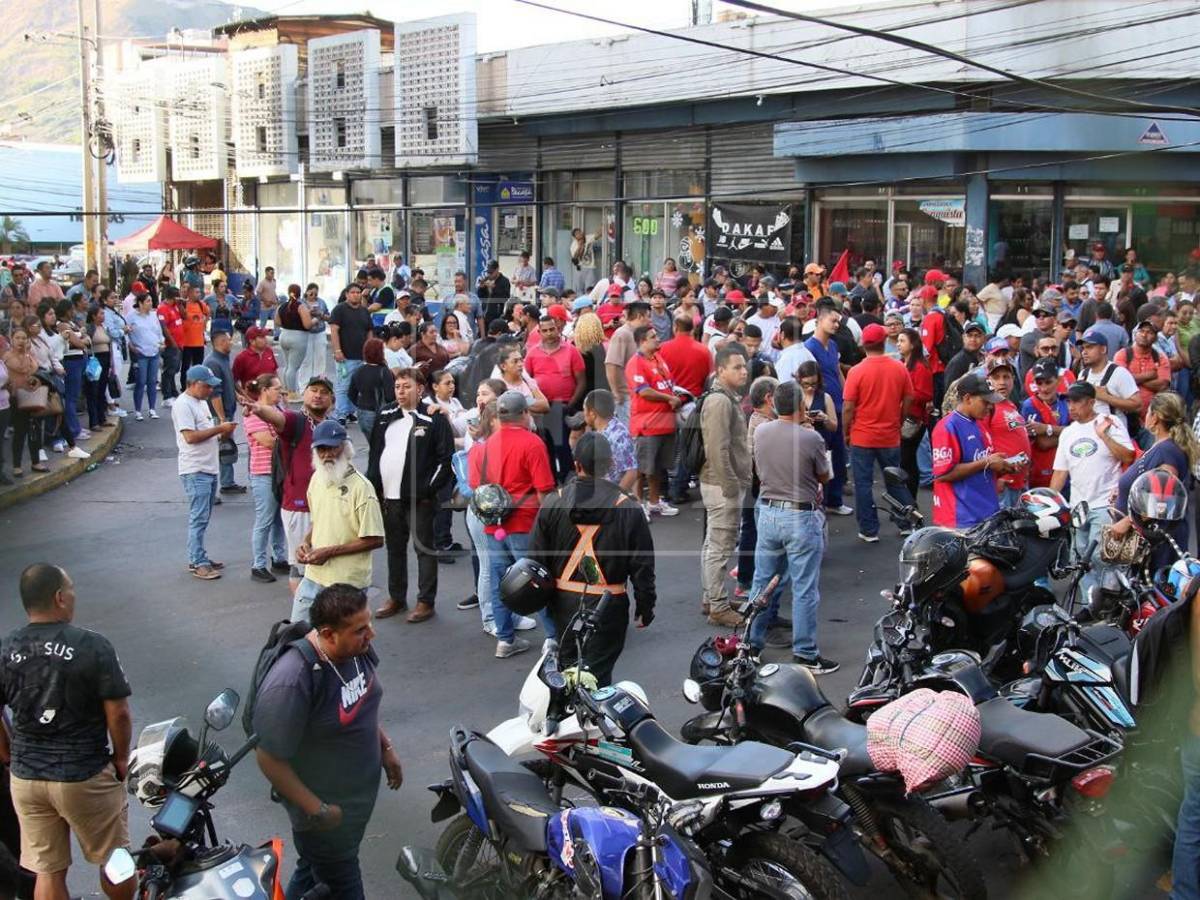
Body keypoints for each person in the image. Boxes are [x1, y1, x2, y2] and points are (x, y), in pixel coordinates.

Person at [252, 583, 401, 900]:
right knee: (342, 885)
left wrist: (385, 749)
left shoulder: (356, 650)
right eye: (361, 629)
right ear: (329, 634)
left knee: (312, 873)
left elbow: (360, 704)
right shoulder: (291, 681)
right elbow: (267, 756)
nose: (371, 634)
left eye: (369, 623)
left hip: (351, 808)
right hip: (325, 824)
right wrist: (317, 810)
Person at [0, 564, 133, 900]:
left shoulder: (5, 649)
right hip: (83, 772)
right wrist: (120, 758)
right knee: (115, 858)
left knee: (48, 870)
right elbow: (118, 713)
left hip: (27, 778)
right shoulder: (92, 646)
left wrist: (8, 755)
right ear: (59, 597)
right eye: (71, 589)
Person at [528, 431, 656, 687]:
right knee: (598, 678)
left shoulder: (554, 502)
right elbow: (642, 565)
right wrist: (645, 606)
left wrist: (545, 605)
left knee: (567, 674)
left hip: (562, 603)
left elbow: (536, 560)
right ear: (610, 464)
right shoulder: (628, 507)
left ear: (577, 464)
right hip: (609, 606)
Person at [746, 381, 837, 673]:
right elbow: (824, 476)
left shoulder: (761, 431)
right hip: (800, 515)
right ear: (801, 406)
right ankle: (805, 653)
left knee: (762, 583)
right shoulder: (810, 438)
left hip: (769, 512)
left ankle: (750, 646)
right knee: (804, 588)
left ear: (774, 404)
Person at [468, 391, 557, 659]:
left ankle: (505, 639)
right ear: (525, 414)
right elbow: (545, 491)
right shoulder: (532, 443)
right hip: (524, 522)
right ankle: (552, 638)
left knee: (499, 580)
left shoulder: (480, 449)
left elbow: (475, 487)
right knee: (535, 579)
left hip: (493, 525)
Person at [367, 368, 454, 625]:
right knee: (394, 549)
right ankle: (396, 597)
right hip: (388, 497)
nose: (401, 391)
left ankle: (426, 600)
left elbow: (445, 459)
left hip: (419, 499)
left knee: (424, 549)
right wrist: (374, 485)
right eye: (397, 387)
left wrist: (428, 489)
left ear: (420, 389)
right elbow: (375, 452)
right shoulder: (385, 414)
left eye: (406, 386)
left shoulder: (433, 418)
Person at [242, 376, 335, 597]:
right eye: (313, 390)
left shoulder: (332, 426)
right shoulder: (296, 421)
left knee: (324, 563)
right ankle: (304, 614)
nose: (318, 395)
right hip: (299, 506)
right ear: (304, 395)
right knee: (302, 567)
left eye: (323, 392)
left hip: (326, 506)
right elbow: (278, 418)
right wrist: (259, 409)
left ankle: (320, 614)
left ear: (332, 398)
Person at [292, 420, 385, 623]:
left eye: (332, 448)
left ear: (345, 447)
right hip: (314, 576)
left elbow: (375, 539)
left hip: (346, 583)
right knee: (296, 634)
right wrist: (305, 542)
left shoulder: (362, 488)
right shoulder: (317, 479)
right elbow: (318, 519)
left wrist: (329, 551)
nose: (326, 455)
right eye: (321, 449)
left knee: (348, 645)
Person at [1050, 381, 1135, 595]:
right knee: (1080, 559)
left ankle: (1110, 604)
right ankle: (1092, 606)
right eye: (1068, 401)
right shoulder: (1067, 433)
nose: (1071, 406)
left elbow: (1128, 456)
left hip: (1105, 503)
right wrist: (1051, 500)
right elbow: (1060, 472)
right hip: (1078, 506)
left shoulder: (1109, 421)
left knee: (1101, 557)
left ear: (1091, 402)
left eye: (1076, 401)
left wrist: (1103, 435)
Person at [1107, 391, 1197, 571]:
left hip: (1157, 543)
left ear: (1155, 417)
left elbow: (1162, 501)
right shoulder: (1161, 447)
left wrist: (1127, 522)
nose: (1146, 415)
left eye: (1148, 411)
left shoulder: (1167, 451)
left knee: (1155, 596)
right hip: (1148, 539)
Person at [842, 323, 916, 542]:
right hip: (889, 435)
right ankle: (906, 522)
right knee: (895, 480)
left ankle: (869, 529)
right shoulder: (899, 368)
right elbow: (909, 397)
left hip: (862, 436)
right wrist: (899, 419)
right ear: (884, 342)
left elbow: (848, 406)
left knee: (863, 485)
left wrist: (846, 432)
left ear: (864, 344)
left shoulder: (856, 371)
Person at [699, 345, 751, 627]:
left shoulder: (724, 398)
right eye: (736, 367)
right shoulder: (720, 402)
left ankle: (712, 597)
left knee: (713, 544)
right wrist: (731, 485)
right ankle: (717, 606)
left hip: (720, 483)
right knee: (720, 546)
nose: (743, 371)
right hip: (721, 486)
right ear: (721, 370)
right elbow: (717, 449)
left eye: (744, 366)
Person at [173, 365, 235, 580]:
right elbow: (190, 437)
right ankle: (197, 561)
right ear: (194, 384)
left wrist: (222, 434)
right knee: (198, 517)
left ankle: (199, 556)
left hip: (208, 467)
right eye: (207, 386)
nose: (210, 390)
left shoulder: (201, 403)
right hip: (195, 469)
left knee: (203, 516)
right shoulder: (183, 405)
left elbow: (205, 434)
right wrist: (220, 429)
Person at [931, 373, 1010, 529]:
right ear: (968, 398)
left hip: (987, 514)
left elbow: (981, 464)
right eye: (985, 401)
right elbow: (943, 474)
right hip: (960, 520)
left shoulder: (979, 423)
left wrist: (1002, 468)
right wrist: (987, 462)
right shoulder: (947, 427)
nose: (989, 406)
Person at [804, 304, 853, 516]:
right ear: (819, 320)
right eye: (832, 321)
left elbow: (837, 371)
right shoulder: (809, 347)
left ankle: (834, 499)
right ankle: (820, 502)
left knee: (839, 454)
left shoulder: (832, 345)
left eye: (838, 322)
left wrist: (846, 394)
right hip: (819, 407)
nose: (836, 325)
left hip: (838, 406)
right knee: (821, 455)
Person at [627, 324, 680, 518]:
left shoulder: (657, 358)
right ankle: (637, 506)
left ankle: (654, 503)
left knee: (656, 468)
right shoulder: (635, 363)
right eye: (653, 336)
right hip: (646, 426)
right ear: (642, 341)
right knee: (641, 469)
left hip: (664, 424)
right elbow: (644, 391)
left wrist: (675, 396)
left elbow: (666, 384)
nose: (658, 339)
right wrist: (669, 399)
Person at [525, 315, 585, 481]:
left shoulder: (571, 350)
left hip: (564, 405)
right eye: (545, 331)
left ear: (558, 329)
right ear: (539, 332)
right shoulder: (532, 353)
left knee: (561, 445)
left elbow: (581, 381)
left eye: (552, 329)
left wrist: (570, 405)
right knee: (546, 447)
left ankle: (567, 478)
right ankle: (551, 480)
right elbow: (526, 381)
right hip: (541, 407)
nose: (550, 333)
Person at [243, 373, 290, 584]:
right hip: (263, 473)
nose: (280, 392)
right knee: (264, 520)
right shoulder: (253, 415)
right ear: (264, 390)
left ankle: (279, 558)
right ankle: (258, 565)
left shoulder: (278, 410)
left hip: (278, 472)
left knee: (279, 519)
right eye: (277, 389)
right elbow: (270, 442)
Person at [981, 357, 1031, 508]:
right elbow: (980, 445)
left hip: (1019, 483)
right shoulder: (987, 407)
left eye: (1006, 377)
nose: (1002, 382)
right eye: (996, 377)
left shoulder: (1010, 405)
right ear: (988, 380)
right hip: (1003, 485)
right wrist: (995, 479)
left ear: (1013, 379)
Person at [202, 329, 244, 494]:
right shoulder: (213, 363)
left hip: (226, 412)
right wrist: (221, 419)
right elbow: (214, 394)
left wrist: (237, 396)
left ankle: (227, 482)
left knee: (226, 448)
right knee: (217, 450)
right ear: (220, 342)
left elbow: (228, 382)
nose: (231, 343)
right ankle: (213, 489)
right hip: (217, 415)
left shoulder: (223, 359)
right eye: (228, 340)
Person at [1116, 320, 1172, 443]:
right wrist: (1150, 375)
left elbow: (1162, 385)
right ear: (1135, 334)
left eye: (1149, 332)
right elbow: (1119, 382)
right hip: (1125, 417)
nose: (1144, 334)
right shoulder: (1123, 354)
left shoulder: (1160, 358)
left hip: (1153, 420)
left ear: (1155, 337)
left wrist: (1133, 378)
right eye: (1141, 331)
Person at [1021, 358, 1070, 489]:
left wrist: (1047, 429)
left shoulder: (1066, 401)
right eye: (1039, 383)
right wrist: (1068, 433)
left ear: (1058, 381)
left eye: (1048, 382)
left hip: (1068, 471)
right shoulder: (1029, 405)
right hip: (1041, 473)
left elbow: (1079, 431)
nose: (1044, 388)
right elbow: (1043, 443)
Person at [897, 328, 933, 501]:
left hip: (914, 420)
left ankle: (910, 501)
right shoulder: (902, 363)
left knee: (907, 461)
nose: (898, 344)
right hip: (903, 418)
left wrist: (904, 394)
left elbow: (926, 394)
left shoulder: (920, 367)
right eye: (898, 340)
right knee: (905, 461)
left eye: (902, 340)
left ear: (913, 344)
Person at [1076, 327, 1142, 421]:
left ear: (1103, 349)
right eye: (1083, 348)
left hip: (1114, 432)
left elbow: (1137, 405)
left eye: (1090, 347)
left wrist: (1105, 397)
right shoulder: (1083, 374)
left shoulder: (1119, 373)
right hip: (1090, 431)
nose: (1084, 352)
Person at [579, 389, 638, 492]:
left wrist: (614, 500)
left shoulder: (619, 436)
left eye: (584, 410)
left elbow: (631, 472)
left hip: (609, 497)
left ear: (592, 413)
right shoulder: (602, 430)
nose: (584, 414)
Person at [330, 283, 373, 424]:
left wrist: (370, 351)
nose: (356, 294)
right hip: (345, 356)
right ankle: (341, 413)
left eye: (358, 292)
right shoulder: (339, 310)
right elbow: (334, 330)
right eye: (353, 292)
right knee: (343, 385)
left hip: (361, 356)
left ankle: (350, 411)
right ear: (347, 294)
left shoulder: (364, 311)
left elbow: (369, 332)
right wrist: (337, 350)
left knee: (355, 386)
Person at [605, 301, 650, 425]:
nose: (649, 320)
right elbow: (611, 365)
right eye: (648, 316)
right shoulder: (622, 334)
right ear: (640, 316)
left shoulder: (637, 335)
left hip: (637, 395)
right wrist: (616, 393)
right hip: (625, 397)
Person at [347, 338, 394, 441]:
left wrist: (359, 404)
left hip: (362, 412)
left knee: (372, 444)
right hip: (378, 412)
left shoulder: (359, 371)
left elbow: (351, 393)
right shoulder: (384, 371)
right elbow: (390, 396)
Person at [277, 284, 313, 399]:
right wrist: (315, 320)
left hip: (284, 335)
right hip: (298, 337)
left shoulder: (282, 306)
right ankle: (292, 393)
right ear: (300, 293)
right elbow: (307, 325)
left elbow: (277, 322)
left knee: (288, 366)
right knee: (293, 367)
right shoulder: (301, 306)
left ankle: (287, 389)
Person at [155, 287, 184, 404]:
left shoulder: (176, 306)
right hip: (171, 345)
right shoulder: (163, 309)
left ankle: (173, 392)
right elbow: (164, 328)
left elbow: (184, 316)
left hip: (180, 344)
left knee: (175, 369)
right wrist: (173, 343)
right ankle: (166, 396)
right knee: (169, 370)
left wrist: (181, 305)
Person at [232, 326, 279, 393]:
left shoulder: (269, 351)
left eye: (265, 337)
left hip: (272, 397)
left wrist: (280, 390)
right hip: (253, 400)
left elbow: (275, 371)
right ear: (251, 341)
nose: (265, 339)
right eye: (262, 337)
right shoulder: (242, 357)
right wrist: (244, 394)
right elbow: (233, 380)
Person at [178, 284, 209, 376]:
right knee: (185, 367)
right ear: (190, 294)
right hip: (187, 343)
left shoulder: (201, 304)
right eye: (197, 292)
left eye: (199, 292)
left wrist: (204, 323)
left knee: (198, 367)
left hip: (199, 343)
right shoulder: (184, 304)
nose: (199, 294)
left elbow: (207, 313)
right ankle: (184, 387)